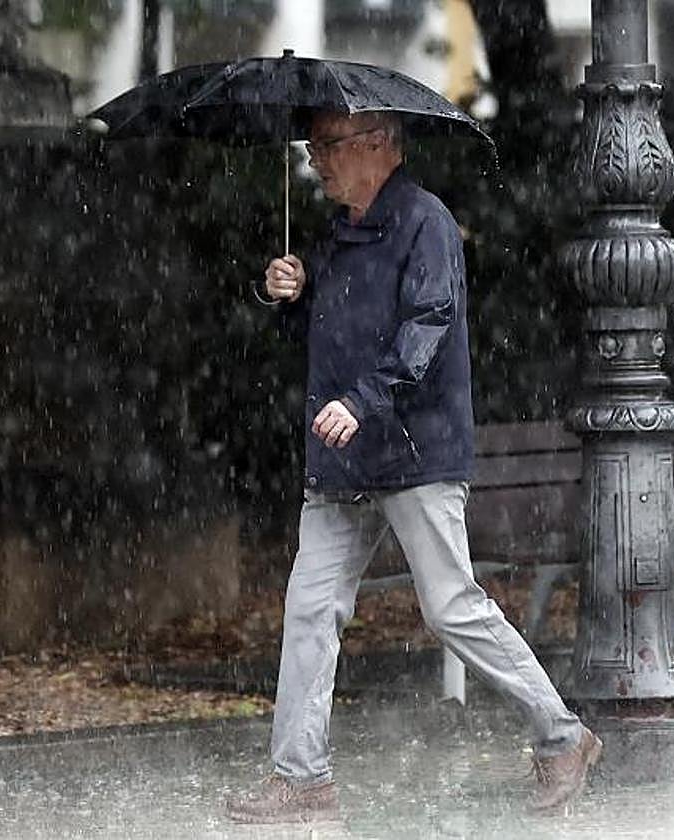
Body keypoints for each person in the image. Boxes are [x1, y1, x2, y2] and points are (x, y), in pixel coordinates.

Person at [225, 110, 601, 824]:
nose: (316, 162)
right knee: (308, 612)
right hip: (344, 457)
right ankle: (301, 777)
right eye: (312, 148)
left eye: (327, 147)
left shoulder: (424, 222)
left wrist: (364, 401)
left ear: (377, 148)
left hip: (414, 450)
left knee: (452, 607)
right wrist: (292, 295)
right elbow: (333, 334)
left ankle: (563, 736)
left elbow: (426, 327)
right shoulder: (338, 232)